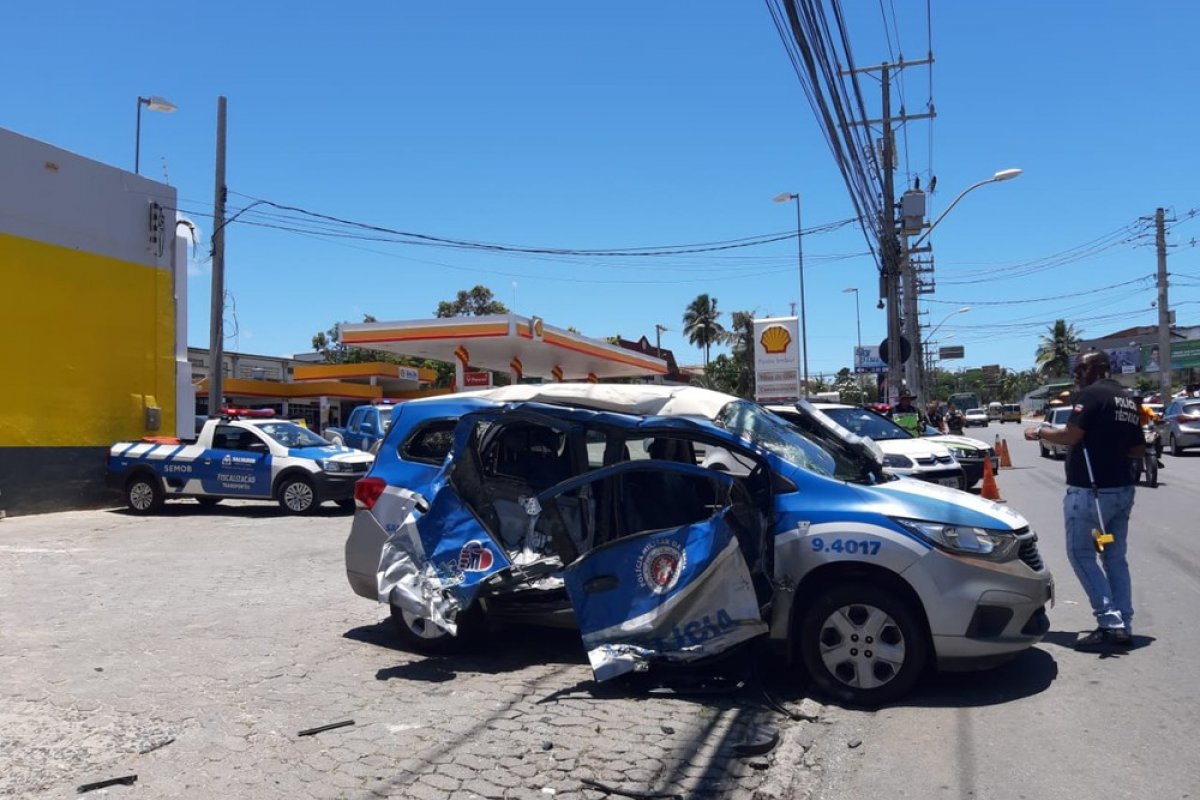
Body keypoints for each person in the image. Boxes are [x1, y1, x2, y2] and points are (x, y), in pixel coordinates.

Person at [1024, 351, 1143, 651]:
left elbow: (1070, 435)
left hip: (1091, 493)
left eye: (1082, 368)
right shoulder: (1127, 399)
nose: (1076, 373)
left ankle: (1109, 622)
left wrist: (1040, 431)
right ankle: (1124, 623)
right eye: (1075, 368)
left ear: (1100, 369)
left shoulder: (1089, 396)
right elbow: (1138, 449)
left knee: (1080, 554)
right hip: (1121, 491)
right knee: (1114, 557)